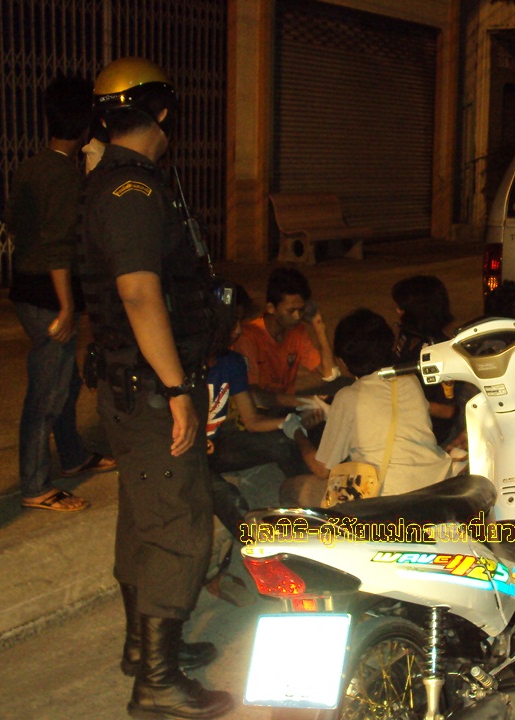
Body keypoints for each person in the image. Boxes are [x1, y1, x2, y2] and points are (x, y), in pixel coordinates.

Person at [79, 57, 232, 717]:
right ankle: (158, 684)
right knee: (178, 524)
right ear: (163, 112)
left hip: (128, 382)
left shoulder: (113, 181)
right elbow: (140, 293)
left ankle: (144, 651)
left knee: (145, 518)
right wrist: (176, 391)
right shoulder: (133, 191)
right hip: (149, 387)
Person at [5, 74, 116, 513]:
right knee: (47, 394)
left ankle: (72, 456)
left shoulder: (31, 165)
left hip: (27, 288)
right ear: (86, 124)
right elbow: (57, 245)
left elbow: (14, 223)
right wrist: (68, 306)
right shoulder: (62, 175)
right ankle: (35, 485)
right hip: (49, 296)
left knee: (65, 381)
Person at [286, 308, 452, 505]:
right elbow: (385, 414)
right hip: (436, 486)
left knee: (291, 488)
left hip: (388, 499)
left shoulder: (348, 397)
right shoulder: (409, 380)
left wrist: (296, 431)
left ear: (343, 361)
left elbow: (322, 469)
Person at [205, 284, 308, 524]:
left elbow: (251, 421)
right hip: (186, 455)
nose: (238, 330)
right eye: (232, 322)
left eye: (240, 321)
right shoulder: (184, 365)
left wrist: (289, 422)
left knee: (283, 444)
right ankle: (256, 542)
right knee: (228, 497)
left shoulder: (231, 362)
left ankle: (309, 503)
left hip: (214, 446)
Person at [230, 266, 337, 412]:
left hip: (284, 407)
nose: (297, 317)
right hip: (257, 414)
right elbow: (253, 397)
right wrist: (308, 401)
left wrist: (319, 326)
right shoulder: (249, 337)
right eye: (291, 311)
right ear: (271, 308)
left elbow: (330, 373)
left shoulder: (296, 331)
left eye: (301, 310)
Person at [391, 275, 462, 446]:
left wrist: (401, 404)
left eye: (402, 308)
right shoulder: (408, 334)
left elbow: (447, 410)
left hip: (430, 429)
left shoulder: (441, 351)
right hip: (404, 415)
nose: (397, 311)